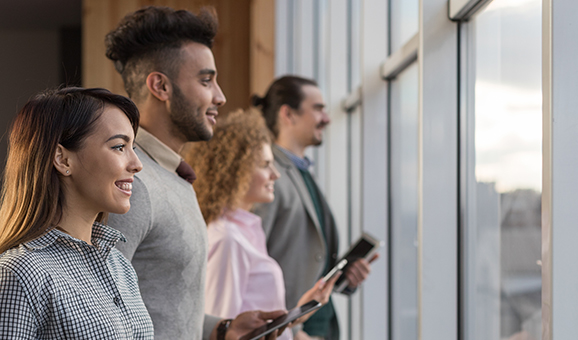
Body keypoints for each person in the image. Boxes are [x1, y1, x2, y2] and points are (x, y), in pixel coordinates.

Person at [105, 6, 285, 340]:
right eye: (206, 80)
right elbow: (97, 310)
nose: (220, 96)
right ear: (160, 86)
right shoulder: (133, 183)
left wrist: (223, 328)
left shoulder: (173, 178)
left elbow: (162, 305)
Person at [0, 87, 153, 339]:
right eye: (119, 147)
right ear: (63, 159)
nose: (136, 164)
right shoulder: (19, 273)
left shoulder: (119, 265)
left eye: (133, 147)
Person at [184, 109, 341, 340]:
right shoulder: (227, 238)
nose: (275, 174)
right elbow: (223, 328)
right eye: (265, 164)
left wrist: (298, 313)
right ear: (237, 170)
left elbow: (251, 327)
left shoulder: (245, 232)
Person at [252, 76, 378, 340]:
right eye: (318, 108)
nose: (327, 118)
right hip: (293, 331)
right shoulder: (266, 177)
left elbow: (308, 255)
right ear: (288, 114)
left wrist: (342, 277)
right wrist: (293, 329)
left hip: (318, 326)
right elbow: (253, 266)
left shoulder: (302, 173)